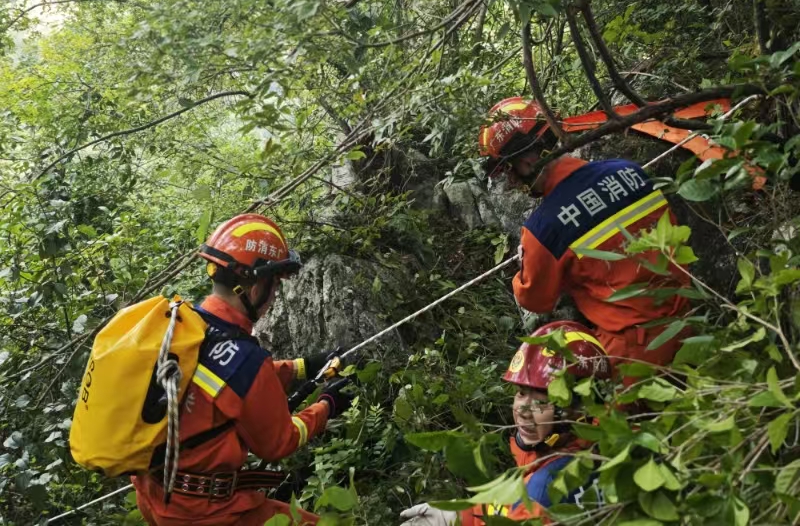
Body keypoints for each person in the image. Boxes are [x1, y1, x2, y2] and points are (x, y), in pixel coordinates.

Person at [133, 214, 354, 526]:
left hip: (156, 497)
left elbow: (226, 384)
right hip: (210, 515)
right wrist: (327, 406)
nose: (274, 296)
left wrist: (303, 367)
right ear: (254, 287)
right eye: (275, 285)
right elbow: (279, 442)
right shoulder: (246, 361)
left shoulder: (188, 328)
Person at [479, 97, 691, 380]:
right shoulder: (628, 171)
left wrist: (525, 264)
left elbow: (535, 299)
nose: (514, 182)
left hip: (634, 351)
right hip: (688, 317)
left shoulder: (543, 229)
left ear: (528, 163)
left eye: (509, 172)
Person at [399, 321, 610, 525]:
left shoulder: (543, 492)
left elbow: (524, 508)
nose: (523, 411)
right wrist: (464, 514)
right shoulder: (614, 438)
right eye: (520, 393)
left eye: (541, 401)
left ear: (579, 409)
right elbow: (511, 508)